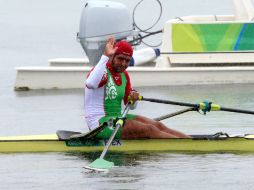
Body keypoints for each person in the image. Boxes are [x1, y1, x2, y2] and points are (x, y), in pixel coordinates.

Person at [84, 37, 190, 139]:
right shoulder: (102, 71)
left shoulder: (124, 75)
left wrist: (133, 96)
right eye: (120, 59)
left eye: (127, 60)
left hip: (117, 117)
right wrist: (105, 55)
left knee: (158, 126)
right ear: (112, 56)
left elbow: (131, 105)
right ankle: (188, 147)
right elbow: (90, 83)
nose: (123, 64)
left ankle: (191, 141)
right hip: (99, 124)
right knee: (149, 129)